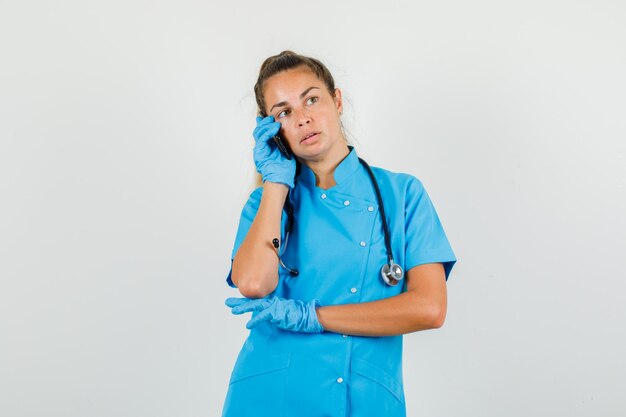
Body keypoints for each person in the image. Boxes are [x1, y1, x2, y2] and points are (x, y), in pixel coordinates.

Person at [222, 50, 457, 417]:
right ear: (271, 129)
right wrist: (275, 182)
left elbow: (429, 308)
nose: (303, 119)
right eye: (283, 112)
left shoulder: (402, 194)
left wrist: (312, 317)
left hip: (364, 399)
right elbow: (252, 283)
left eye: (311, 99)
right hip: (269, 396)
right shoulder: (267, 203)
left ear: (337, 100)